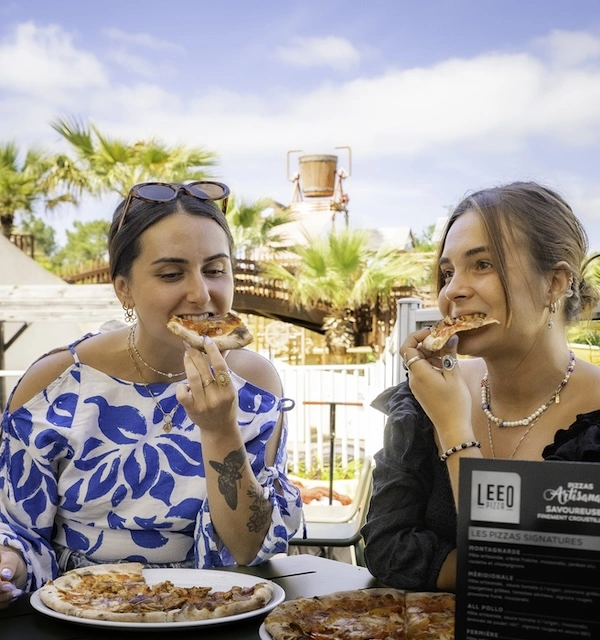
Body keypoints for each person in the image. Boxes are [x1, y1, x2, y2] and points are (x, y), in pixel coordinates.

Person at [0, 180, 303, 604]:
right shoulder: (52, 383)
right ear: (123, 288)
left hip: (213, 608)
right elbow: (17, 528)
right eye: (171, 274)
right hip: (78, 609)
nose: (201, 294)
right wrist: (8, 566)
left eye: (215, 270)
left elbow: (247, 548)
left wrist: (220, 430)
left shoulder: (256, 385)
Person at [362, 181, 600, 592]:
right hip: (413, 630)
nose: (452, 290)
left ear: (555, 284)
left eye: (483, 264)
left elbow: (560, 585)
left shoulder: (592, 425)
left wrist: (454, 431)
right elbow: (387, 549)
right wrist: (506, 569)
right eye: (447, 273)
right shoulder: (422, 400)